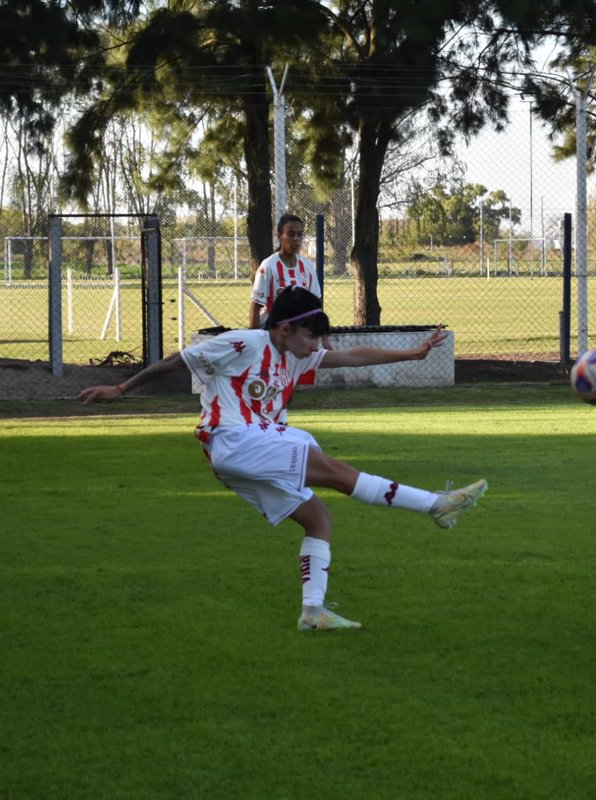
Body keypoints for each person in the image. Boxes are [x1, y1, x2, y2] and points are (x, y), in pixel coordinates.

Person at [79, 286, 487, 632]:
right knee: (332, 469)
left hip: (243, 452)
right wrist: (121, 387)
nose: (316, 346)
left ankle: (313, 612)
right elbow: (176, 361)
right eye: (311, 335)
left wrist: (412, 355)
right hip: (234, 439)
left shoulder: (295, 353)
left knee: (318, 518)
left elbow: (354, 356)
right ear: (285, 327)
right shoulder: (244, 343)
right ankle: (436, 504)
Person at [249, 213, 320, 329]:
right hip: (271, 332)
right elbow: (256, 305)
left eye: (299, 234)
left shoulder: (308, 267)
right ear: (279, 236)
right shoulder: (268, 266)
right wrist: (253, 338)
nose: (296, 239)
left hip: (297, 334)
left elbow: (316, 304)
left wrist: (319, 335)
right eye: (291, 234)